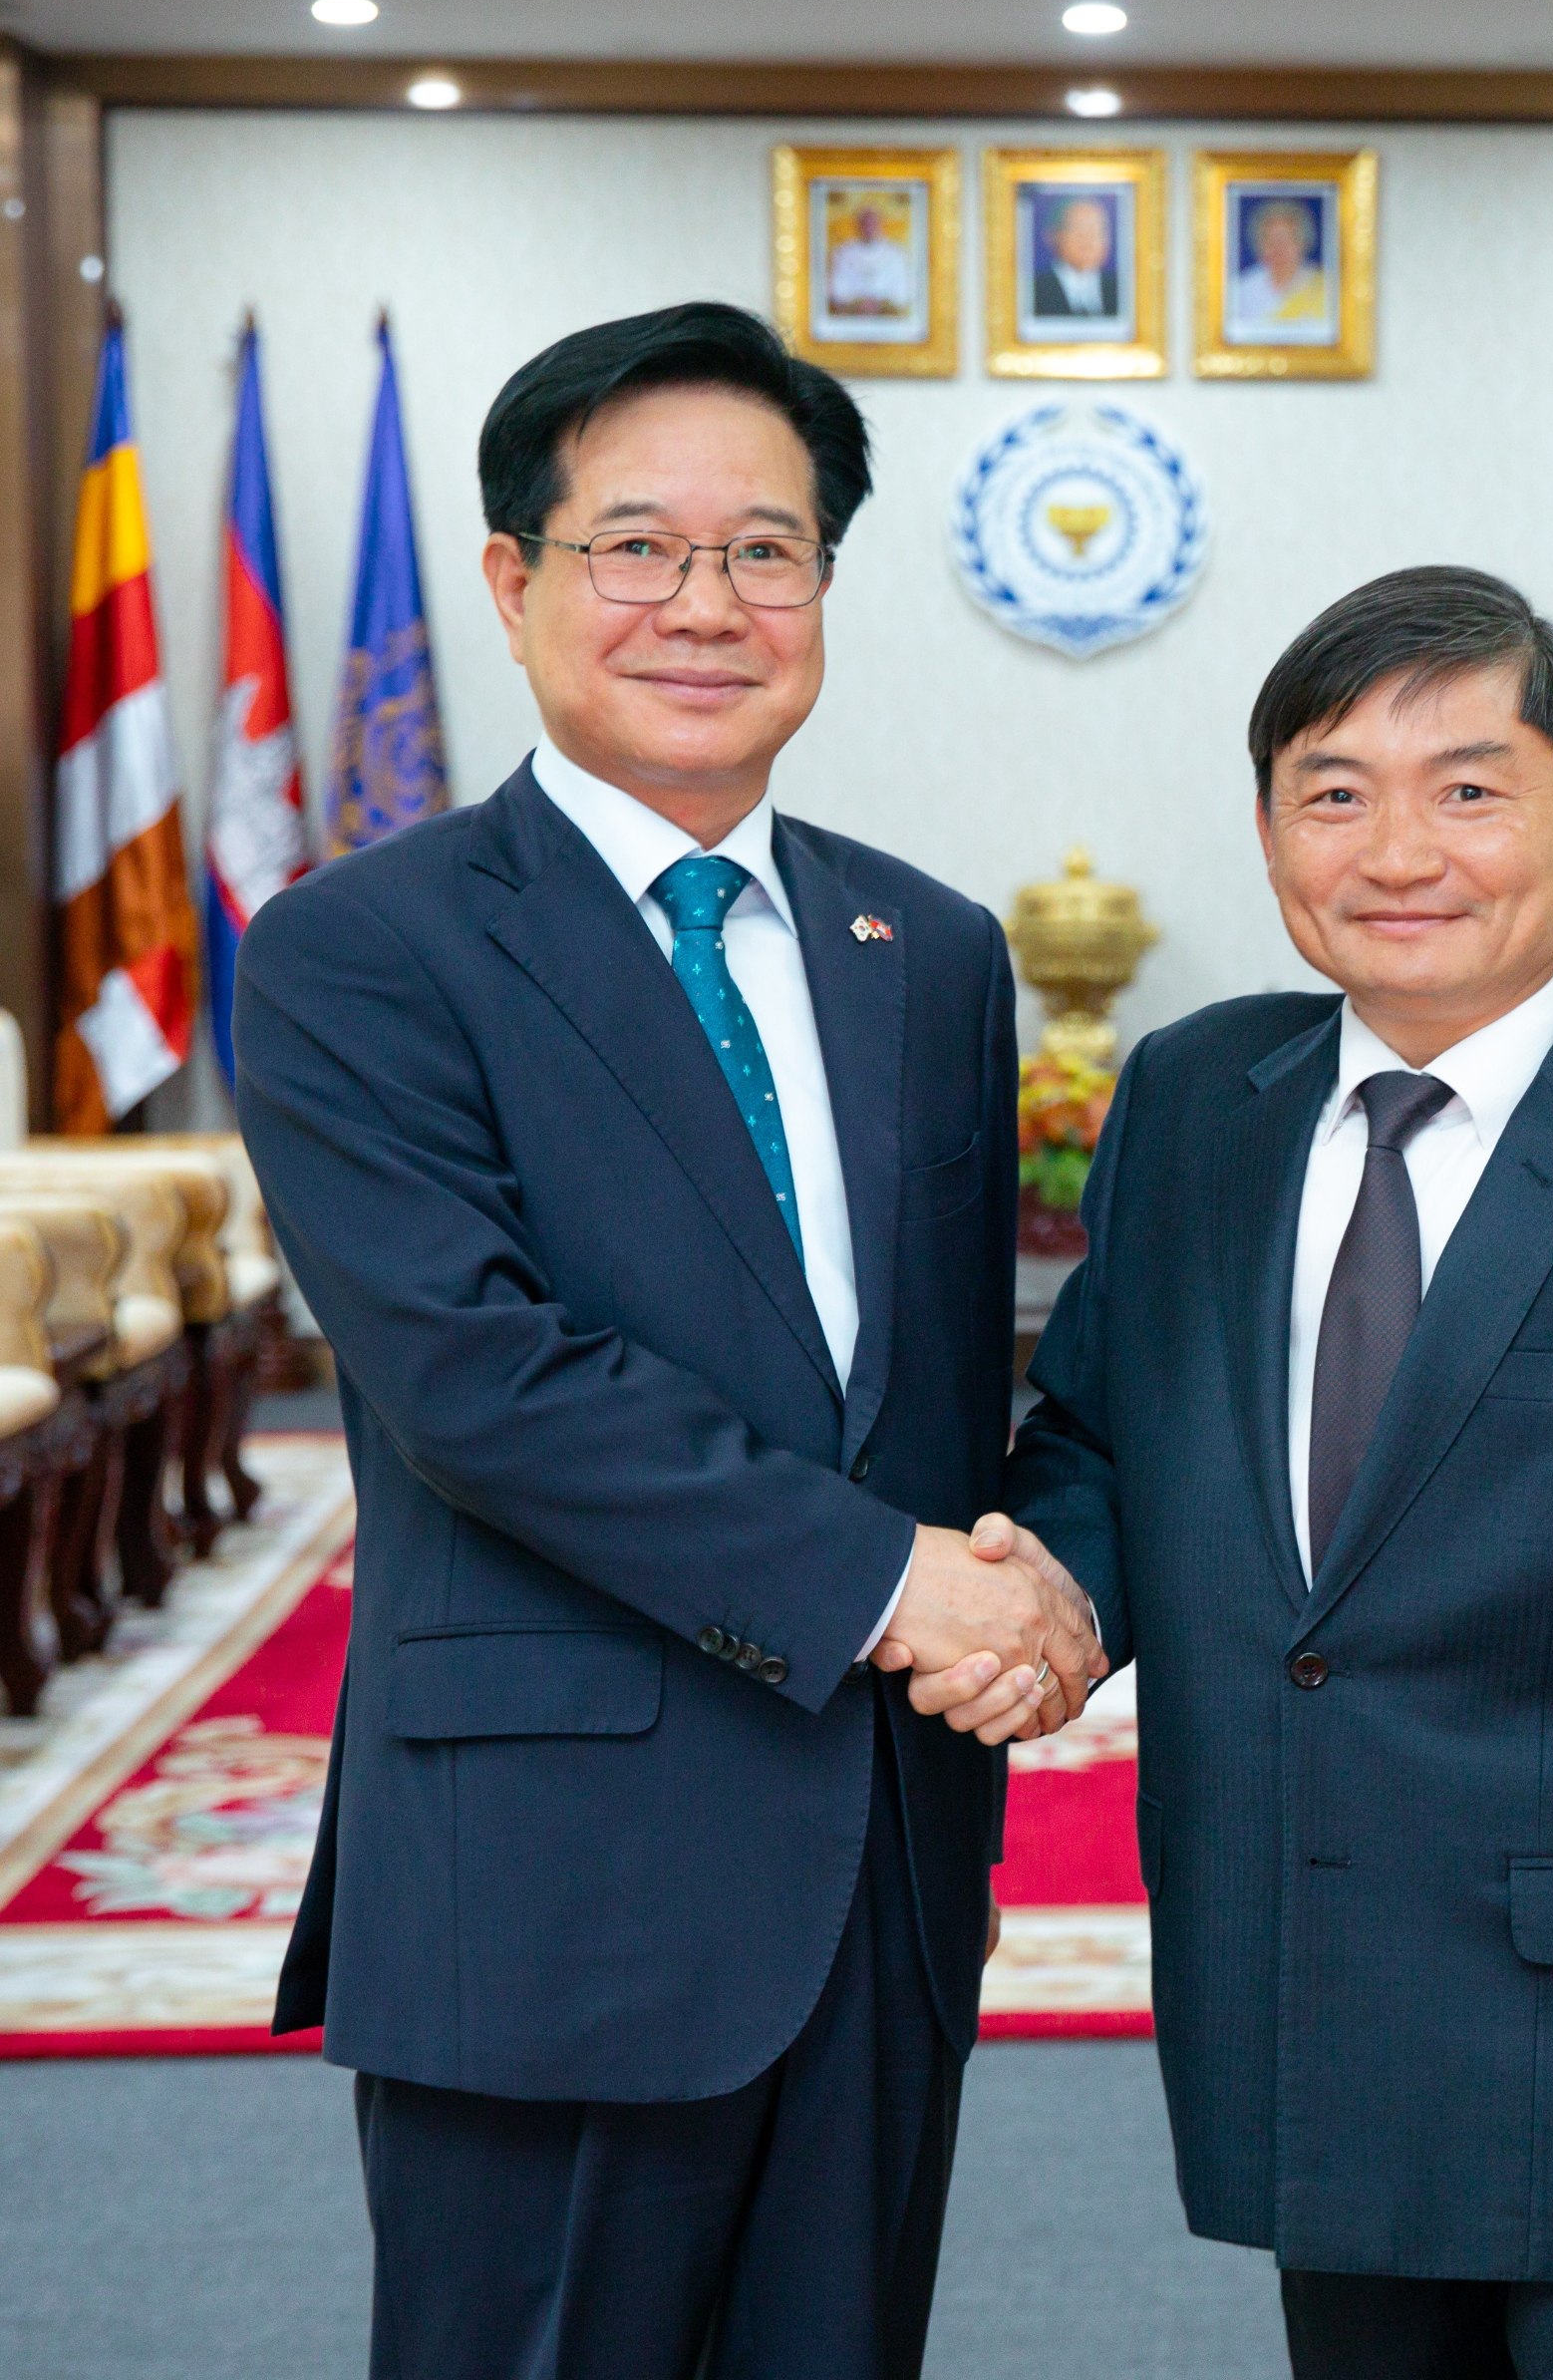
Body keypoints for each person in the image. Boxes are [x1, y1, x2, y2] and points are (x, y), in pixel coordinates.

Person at [911, 566, 1553, 2380]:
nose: (1398, 851)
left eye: (1469, 790)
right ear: (1269, 831)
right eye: (1333, 792)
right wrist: (1052, 1601)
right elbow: (1102, 1432)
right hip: (1308, 2035)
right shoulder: (1197, 1099)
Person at [232, 302, 1102, 2380]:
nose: (705, 605)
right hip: (551, 1878)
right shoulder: (364, 948)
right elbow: (480, 1382)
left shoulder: (928, 949)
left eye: (765, 551)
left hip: (883, 1868)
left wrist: (1037, 1589)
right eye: (635, 545)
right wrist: (898, 1586)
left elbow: (938, 1395)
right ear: (512, 577)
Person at [1234, 196, 1329, 329]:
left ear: (1303, 242)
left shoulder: (1325, 287)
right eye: (1270, 241)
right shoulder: (1242, 289)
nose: (1278, 249)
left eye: (1286, 240)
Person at [1032, 193, 1119, 320]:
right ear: (1052, 236)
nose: (1089, 238)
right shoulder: (1033, 291)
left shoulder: (1122, 290)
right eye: (1079, 228)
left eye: (1098, 229)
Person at [825, 199, 912, 318]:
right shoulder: (842, 253)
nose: (869, 227)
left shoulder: (896, 253)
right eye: (864, 222)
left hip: (888, 319)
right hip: (851, 319)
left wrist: (880, 305)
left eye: (873, 222)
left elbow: (903, 291)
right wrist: (859, 304)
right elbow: (836, 290)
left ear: (881, 224)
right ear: (857, 224)